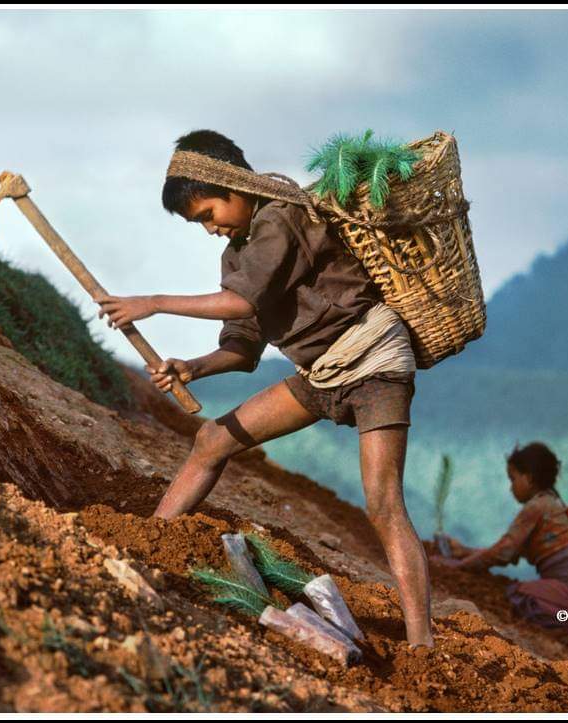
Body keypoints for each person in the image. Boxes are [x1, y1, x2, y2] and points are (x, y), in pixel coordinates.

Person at [93, 129, 434, 648]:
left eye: (208, 214)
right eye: (198, 224)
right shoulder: (235, 255)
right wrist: (193, 367)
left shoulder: (282, 216)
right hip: (321, 375)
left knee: (383, 501)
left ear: (231, 185)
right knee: (212, 440)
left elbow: (241, 304)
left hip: (374, 361)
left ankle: (421, 642)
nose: (209, 229)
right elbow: (243, 350)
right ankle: (150, 541)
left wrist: (153, 301)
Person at [430, 442, 568, 642]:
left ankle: (566, 632)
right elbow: (507, 551)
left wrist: (459, 565)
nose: (511, 488)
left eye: (513, 479)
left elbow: (502, 552)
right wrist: (463, 550)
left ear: (528, 478)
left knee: (519, 595)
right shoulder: (553, 504)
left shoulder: (536, 507)